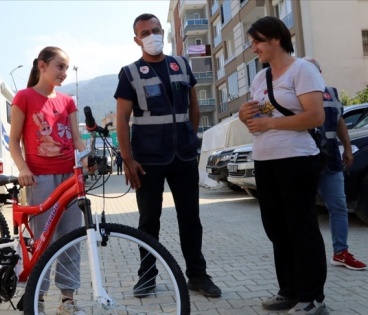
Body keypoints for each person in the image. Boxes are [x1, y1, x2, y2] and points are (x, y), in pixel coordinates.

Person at [114, 13, 221, 298]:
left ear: (163, 31)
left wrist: (190, 138)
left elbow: (193, 107)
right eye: (145, 32)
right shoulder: (129, 73)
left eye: (156, 30)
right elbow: (121, 120)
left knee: (191, 219)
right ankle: (147, 276)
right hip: (147, 160)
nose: (152, 36)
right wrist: (128, 159)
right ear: (137, 39)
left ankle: (197, 276)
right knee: (149, 221)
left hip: (183, 157)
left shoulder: (182, 64)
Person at [239, 17, 329, 315]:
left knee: (301, 227)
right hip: (266, 160)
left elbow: (316, 117)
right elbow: (257, 119)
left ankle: (312, 297)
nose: (254, 49)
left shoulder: (302, 70)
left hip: (297, 159)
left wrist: (269, 122)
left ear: (275, 39)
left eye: (257, 42)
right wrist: (245, 116)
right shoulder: (260, 78)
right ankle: (289, 291)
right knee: (276, 228)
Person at [9, 46, 86, 315]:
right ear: (42, 66)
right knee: (43, 240)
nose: (64, 72)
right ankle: (36, 297)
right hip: (39, 178)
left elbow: (76, 138)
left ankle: (67, 299)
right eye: (60, 66)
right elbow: (14, 141)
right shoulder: (24, 97)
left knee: (72, 237)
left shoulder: (68, 101)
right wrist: (23, 168)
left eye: (67, 67)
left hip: (70, 177)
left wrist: (85, 158)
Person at [304, 58, 366, 271]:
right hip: (304, 159)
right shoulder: (294, 92)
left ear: (320, 71)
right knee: (303, 210)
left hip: (330, 159)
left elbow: (339, 121)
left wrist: (347, 148)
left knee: (338, 207)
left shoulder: (331, 92)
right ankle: (306, 255)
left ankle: (341, 252)